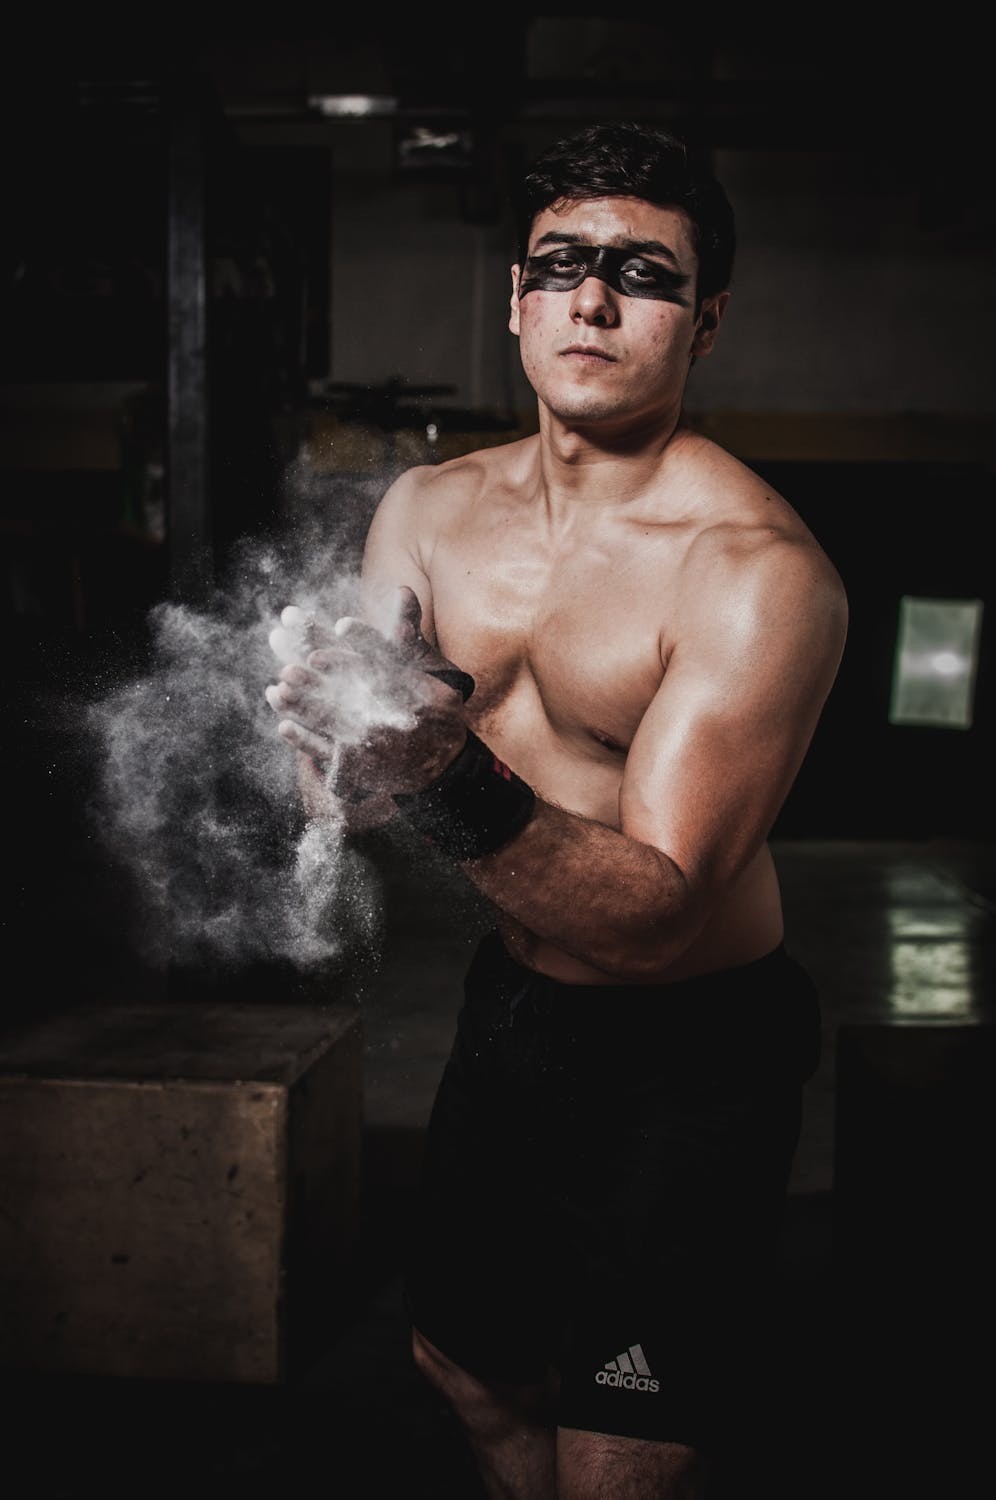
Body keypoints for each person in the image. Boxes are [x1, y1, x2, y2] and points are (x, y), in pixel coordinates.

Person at [266, 120, 847, 1498]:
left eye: (640, 274)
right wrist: (325, 743)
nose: (591, 299)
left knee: (622, 1456)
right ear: (516, 300)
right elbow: (334, 791)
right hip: (516, 1013)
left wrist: (431, 767)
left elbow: (651, 920)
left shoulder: (756, 571)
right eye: (562, 265)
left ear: (703, 326)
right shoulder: (425, 507)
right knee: (464, 1364)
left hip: (694, 1046)